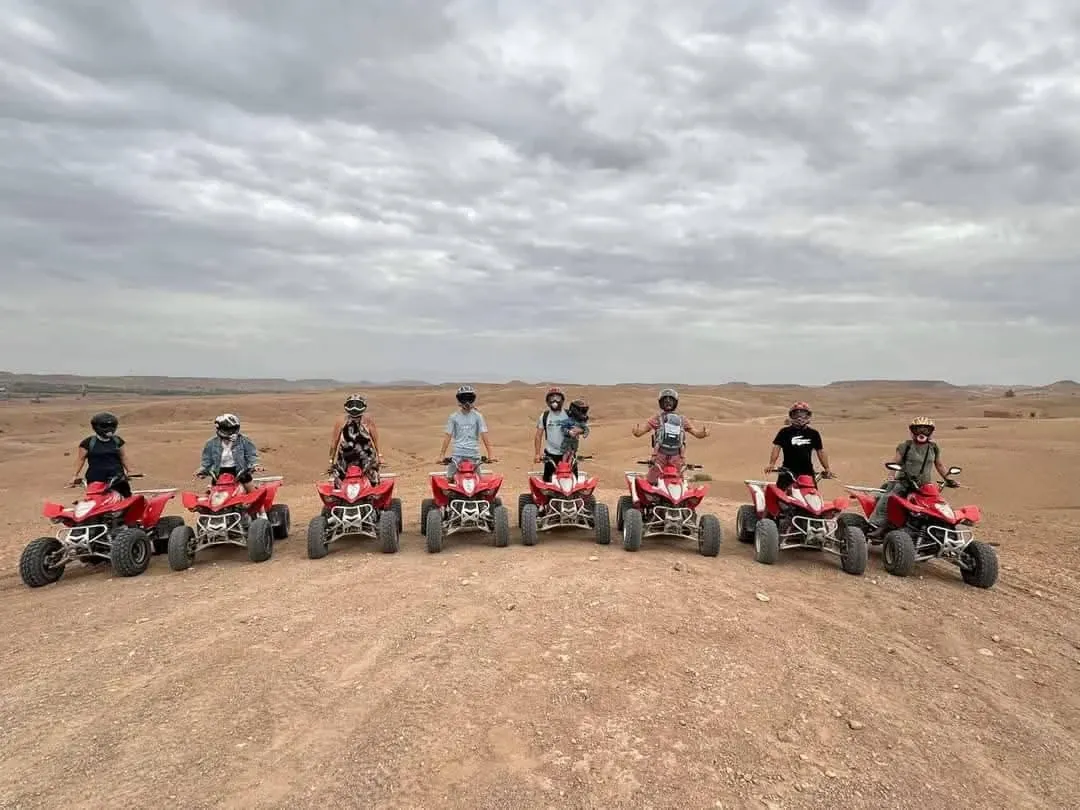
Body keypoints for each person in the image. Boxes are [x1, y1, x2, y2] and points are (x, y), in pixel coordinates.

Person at [867, 416, 957, 538]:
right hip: (905, 482)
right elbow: (895, 462)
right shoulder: (906, 446)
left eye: (926, 429)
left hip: (925, 485)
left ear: (931, 432)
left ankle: (940, 529)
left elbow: (939, 464)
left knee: (938, 505)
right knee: (889, 499)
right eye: (918, 429)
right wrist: (891, 475)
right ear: (912, 431)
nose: (922, 432)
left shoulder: (933, 447)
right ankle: (880, 526)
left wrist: (948, 479)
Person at [631, 388, 709, 484]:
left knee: (678, 482)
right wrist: (636, 432)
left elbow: (696, 433)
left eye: (670, 400)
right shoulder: (657, 418)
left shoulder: (681, 420)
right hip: (660, 456)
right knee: (652, 481)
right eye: (665, 400)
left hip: (676, 457)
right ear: (661, 403)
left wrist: (703, 433)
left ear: (675, 402)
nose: (668, 402)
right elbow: (641, 432)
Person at [765, 401, 834, 489]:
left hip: (807, 471)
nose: (799, 417)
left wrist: (827, 468)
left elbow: (820, 451)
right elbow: (776, 447)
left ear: (808, 416)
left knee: (811, 493)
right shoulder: (784, 432)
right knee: (781, 494)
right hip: (787, 470)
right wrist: (771, 464)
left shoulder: (813, 433)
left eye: (803, 414)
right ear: (791, 416)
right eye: (796, 414)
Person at [437, 385, 497, 480]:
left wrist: (490, 454)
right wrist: (442, 455)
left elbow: (484, 434)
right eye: (464, 399)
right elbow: (448, 435)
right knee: (449, 479)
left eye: (469, 399)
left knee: (479, 481)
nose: (467, 402)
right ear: (459, 400)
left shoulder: (478, 416)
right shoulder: (454, 417)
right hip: (457, 455)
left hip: (474, 455)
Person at [71, 412, 136, 496]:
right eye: (105, 426)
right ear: (96, 427)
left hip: (117, 477)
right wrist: (74, 476)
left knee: (123, 499)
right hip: (96, 479)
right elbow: (80, 459)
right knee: (97, 500)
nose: (109, 429)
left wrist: (130, 471)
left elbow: (123, 457)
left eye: (112, 426)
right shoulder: (88, 443)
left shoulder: (117, 441)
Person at [532, 387, 589, 481]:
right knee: (548, 484)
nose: (555, 401)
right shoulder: (544, 416)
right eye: (552, 398)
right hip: (551, 455)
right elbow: (538, 435)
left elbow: (582, 426)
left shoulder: (569, 414)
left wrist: (580, 431)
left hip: (568, 454)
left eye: (557, 398)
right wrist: (537, 454)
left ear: (562, 400)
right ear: (548, 401)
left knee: (572, 482)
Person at [194, 413, 261, 493]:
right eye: (228, 430)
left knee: (252, 492)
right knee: (213, 494)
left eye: (234, 429)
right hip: (219, 472)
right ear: (220, 429)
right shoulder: (211, 443)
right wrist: (202, 470)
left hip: (240, 471)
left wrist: (255, 465)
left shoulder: (244, 440)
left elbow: (251, 455)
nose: (232, 432)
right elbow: (207, 460)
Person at [327, 393, 381, 484]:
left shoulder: (368, 421)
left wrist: (380, 456)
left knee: (373, 482)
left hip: (366, 457)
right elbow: (334, 442)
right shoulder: (341, 421)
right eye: (351, 405)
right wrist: (331, 461)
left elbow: (375, 440)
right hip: (345, 458)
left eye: (357, 405)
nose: (354, 408)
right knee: (340, 483)